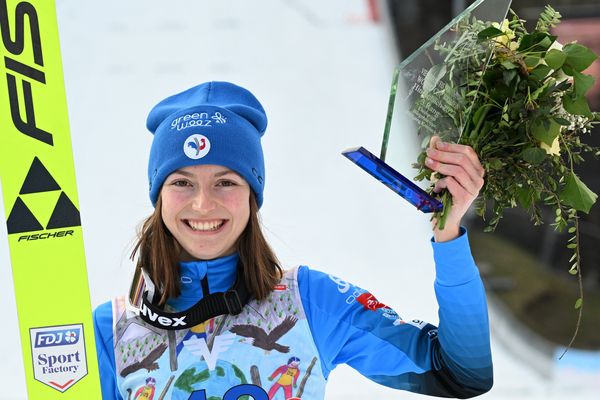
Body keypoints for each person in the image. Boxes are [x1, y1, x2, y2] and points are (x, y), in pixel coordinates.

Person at [93, 81, 492, 400]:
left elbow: (461, 373)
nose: (202, 203)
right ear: (158, 196)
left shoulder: (310, 301)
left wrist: (449, 234)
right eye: (181, 182)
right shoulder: (110, 332)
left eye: (226, 182)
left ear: (252, 196)